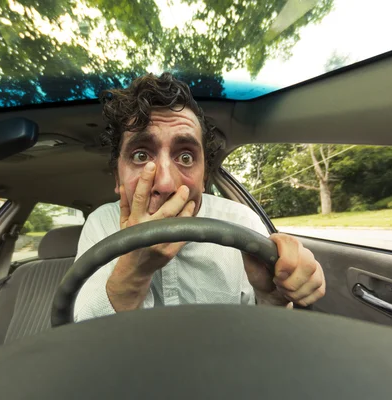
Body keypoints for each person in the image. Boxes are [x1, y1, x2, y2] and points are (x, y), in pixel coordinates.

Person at [73, 73, 325, 321]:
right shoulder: (101, 224)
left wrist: (273, 299)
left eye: (185, 157)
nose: (165, 183)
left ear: (204, 176)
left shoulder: (242, 222)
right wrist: (135, 268)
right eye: (140, 155)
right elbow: (83, 341)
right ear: (118, 178)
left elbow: (267, 335)